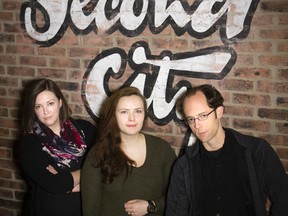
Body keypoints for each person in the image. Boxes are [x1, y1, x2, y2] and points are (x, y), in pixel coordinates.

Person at [166, 84, 288, 216]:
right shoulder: (184, 165)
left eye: (202, 116)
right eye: (191, 119)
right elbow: (175, 212)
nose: (197, 125)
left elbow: (283, 198)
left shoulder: (256, 151)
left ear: (219, 112)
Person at [81, 86, 176, 216]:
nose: (132, 118)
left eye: (138, 111)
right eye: (124, 112)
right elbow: (90, 210)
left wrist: (152, 206)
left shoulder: (162, 149)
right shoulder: (98, 154)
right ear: (113, 115)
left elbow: (178, 196)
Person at [19, 78, 97, 216]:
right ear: (33, 109)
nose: (45, 111)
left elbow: (108, 164)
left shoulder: (86, 130)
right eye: (38, 106)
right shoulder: (29, 144)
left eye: (50, 103)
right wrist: (89, 173)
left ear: (60, 102)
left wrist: (68, 183)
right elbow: (56, 184)